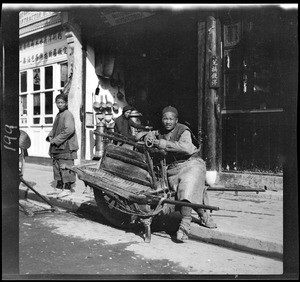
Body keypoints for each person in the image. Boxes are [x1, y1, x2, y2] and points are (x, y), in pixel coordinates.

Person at [146, 105, 217, 242]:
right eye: (165, 119)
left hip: (191, 164)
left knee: (188, 184)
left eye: (171, 119)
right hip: (173, 170)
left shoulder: (183, 131)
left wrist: (163, 143)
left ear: (176, 120)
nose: (168, 122)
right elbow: (149, 134)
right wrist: (148, 135)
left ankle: (185, 224)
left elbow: (187, 148)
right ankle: (204, 215)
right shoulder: (160, 131)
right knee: (182, 191)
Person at [46, 93, 79, 198]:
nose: (59, 105)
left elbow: (69, 130)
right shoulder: (59, 115)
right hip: (58, 146)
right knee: (57, 167)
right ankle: (59, 187)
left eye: (62, 102)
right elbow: (54, 129)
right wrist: (50, 136)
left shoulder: (67, 114)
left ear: (66, 103)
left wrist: (56, 140)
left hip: (66, 146)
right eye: (58, 102)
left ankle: (68, 188)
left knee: (65, 167)